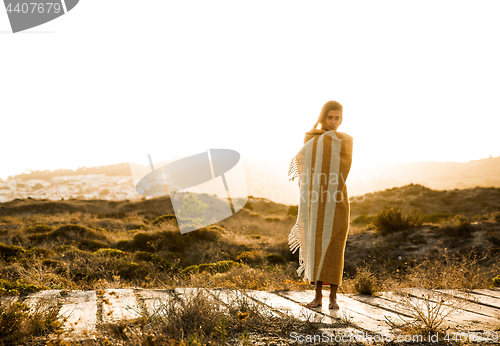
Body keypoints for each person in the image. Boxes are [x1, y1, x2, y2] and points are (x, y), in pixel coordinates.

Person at [288, 100, 353, 309]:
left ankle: (333, 297)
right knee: (315, 244)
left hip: (336, 198)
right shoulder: (311, 137)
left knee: (334, 245)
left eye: (338, 118)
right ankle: (317, 296)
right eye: (330, 117)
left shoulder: (345, 141)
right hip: (314, 201)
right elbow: (305, 166)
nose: (334, 122)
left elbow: (343, 167)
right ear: (322, 117)